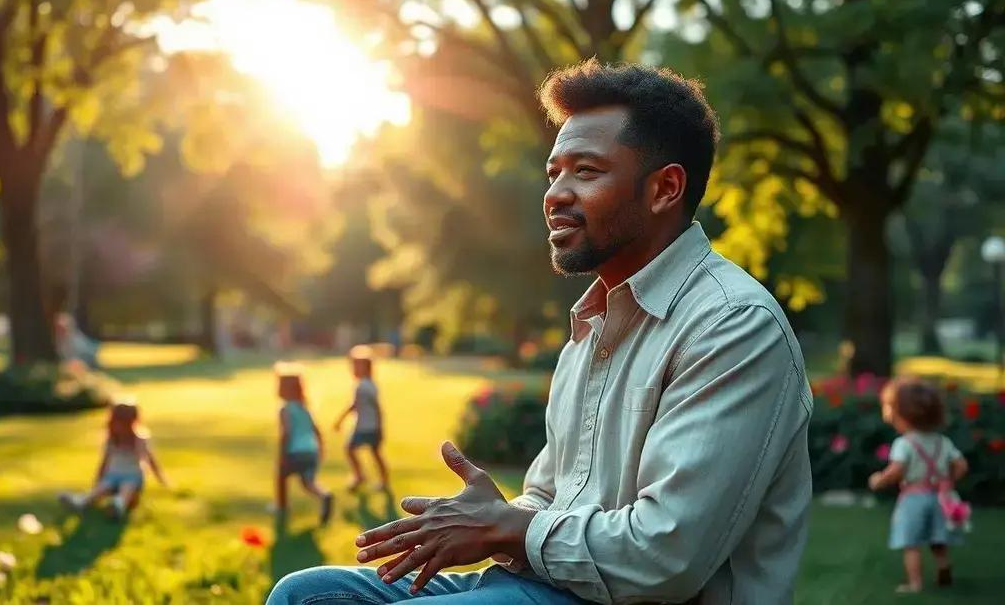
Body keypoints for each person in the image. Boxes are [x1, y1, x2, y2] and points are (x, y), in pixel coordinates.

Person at [269, 59, 813, 604]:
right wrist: (493, 517)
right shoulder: (591, 323)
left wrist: (505, 527)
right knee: (307, 595)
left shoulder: (732, 325)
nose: (555, 194)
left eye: (586, 171)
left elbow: (665, 556)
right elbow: (552, 497)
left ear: (665, 188)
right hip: (555, 586)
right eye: (554, 173)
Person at [868, 378, 969, 593]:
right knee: (938, 538)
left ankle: (914, 583)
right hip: (941, 498)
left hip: (914, 498)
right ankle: (943, 565)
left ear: (901, 414)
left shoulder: (904, 444)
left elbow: (896, 471)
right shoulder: (943, 441)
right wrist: (949, 481)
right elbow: (961, 465)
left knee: (911, 542)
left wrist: (879, 480)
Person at [59, 401, 168, 519]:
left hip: (132, 476)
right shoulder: (112, 441)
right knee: (102, 488)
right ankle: (81, 502)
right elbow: (105, 461)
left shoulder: (139, 439)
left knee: (127, 487)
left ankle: (118, 505)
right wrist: (98, 479)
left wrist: (161, 478)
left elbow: (149, 459)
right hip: (112, 475)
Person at [275, 363, 334, 524]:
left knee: (281, 476)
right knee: (309, 483)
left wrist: (282, 453)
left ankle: (282, 506)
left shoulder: (285, 409)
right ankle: (324, 495)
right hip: (311, 451)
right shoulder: (304, 408)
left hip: (294, 452)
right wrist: (320, 449)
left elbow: (286, 432)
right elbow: (317, 431)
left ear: (284, 389)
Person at [334, 345, 390, 491]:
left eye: (356, 366)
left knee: (350, 449)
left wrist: (340, 420)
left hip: (365, 426)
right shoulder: (368, 384)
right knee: (375, 453)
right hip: (370, 426)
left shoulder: (363, 386)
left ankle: (360, 476)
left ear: (366, 368)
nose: (353, 369)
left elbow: (365, 406)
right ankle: (382, 480)